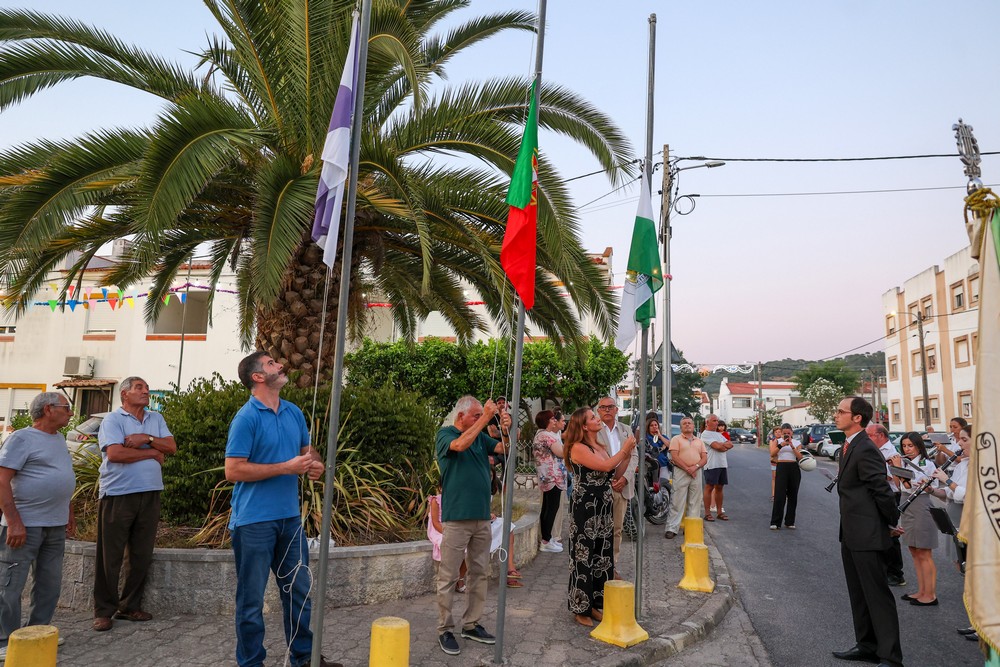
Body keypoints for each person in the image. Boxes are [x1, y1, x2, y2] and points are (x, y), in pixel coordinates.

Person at [224, 352, 340, 667]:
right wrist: (286, 467)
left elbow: (307, 452)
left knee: (298, 590)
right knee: (251, 601)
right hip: (253, 523)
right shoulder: (246, 418)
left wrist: (314, 464)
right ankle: (251, 662)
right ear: (258, 377)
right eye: (272, 363)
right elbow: (233, 470)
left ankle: (303, 657)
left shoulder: (293, 412)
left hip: (289, 520)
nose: (280, 365)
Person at [93, 376, 176, 632]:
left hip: (150, 493)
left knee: (141, 554)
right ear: (125, 394)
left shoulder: (155, 419)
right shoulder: (113, 420)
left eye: (147, 388)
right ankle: (104, 611)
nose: (146, 391)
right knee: (110, 556)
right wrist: (152, 452)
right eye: (139, 387)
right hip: (119, 494)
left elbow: (171, 447)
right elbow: (115, 454)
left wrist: (146, 438)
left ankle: (129, 606)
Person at [0, 393, 77, 660]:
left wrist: (68, 511)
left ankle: (37, 632)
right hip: (25, 525)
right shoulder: (21, 438)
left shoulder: (57, 439)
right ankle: (3, 639)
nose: (71, 413)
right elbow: (2, 480)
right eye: (66, 408)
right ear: (48, 409)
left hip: (54, 525)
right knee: (10, 584)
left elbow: (62, 476)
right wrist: (13, 521)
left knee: (50, 584)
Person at [435, 396, 511, 656]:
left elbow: (503, 449)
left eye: (481, 415)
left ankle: (471, 624)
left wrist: (506, 428)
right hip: (456, 518)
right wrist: (486, 420)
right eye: (476, 415)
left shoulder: (479, 436)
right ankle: (445, 628)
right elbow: (459, 445)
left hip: (481, 517)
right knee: (449, 575)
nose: (481, 419)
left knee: (479, 573)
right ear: (461, 416)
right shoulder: (446, 434)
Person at [831, 396, 902, 667]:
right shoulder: (849, 445)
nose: (836, 415)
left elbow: (881, 490)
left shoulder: (866, 448)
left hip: (868, 533)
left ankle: (891, 656)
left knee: (877, 595)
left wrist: (891, 522)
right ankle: (867, 645)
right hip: (850, 532)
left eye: (841, 411)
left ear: (857, 417)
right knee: (858, 593)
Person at [564, 406, 636, 627]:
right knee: (583, 556)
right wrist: (624, 449)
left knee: (602, 556)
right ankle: (580, 607)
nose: (597, 419)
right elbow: (605, 465)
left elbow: (613, 471)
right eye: (593, 417)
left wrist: (629, 453)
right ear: (584, 426)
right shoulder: (578, 448)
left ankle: (595, 605)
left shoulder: (600, 446)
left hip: (603, 505)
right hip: (585, 507)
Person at [890, 432, 939, 607]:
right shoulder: (905, 462)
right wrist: (894, 468)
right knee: (914, 550)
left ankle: (930, 594)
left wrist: (899, 467)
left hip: (920, 504)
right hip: (906, 503)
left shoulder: (926, 464)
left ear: (919, 446)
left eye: (910, 446)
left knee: (924, 552)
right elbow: (898, 485)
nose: (907, 449)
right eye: (904, 446)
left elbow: (911, 486)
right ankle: (921, 590)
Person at [594, 397, 638, 567]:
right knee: (599, 528)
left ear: (616, 409)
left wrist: (625, 479)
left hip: (622, 486)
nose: (606, 410)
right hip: (601, 485)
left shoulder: (626, 430)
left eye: (610, 407)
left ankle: (613, 564)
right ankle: (598, 562)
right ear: (598, 410)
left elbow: (634, 456)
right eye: (603, 407)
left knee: (616, 529)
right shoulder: (594, 430)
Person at [866, 423, 906, 587]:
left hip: (891, 495)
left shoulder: (892, 453)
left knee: (892, 534)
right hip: (879, 494)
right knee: (881, 532)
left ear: (881, 435)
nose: (867, 438)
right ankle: (884, 569)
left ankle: (896, 573)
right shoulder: (875, 451)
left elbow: (895, 481)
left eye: (870, 435)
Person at [663, 417, 707, 539]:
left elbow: (704, 458)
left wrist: (695, 467)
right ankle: (672, 528)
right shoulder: (676, 439)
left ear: (693, 426)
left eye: (689, 423)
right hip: (681, 472)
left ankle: (691, 528)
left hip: (696, 472)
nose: (687, 425)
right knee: (677, 501)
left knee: (695, 501)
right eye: (684, 424)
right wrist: (688, 469)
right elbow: (675, 456)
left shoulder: (699, 441)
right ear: (681, 427)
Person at [532, 410, 567, 553]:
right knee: (551, 508)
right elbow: (561, 452)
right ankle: (546, 541)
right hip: (552, 477)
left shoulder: (543, 435)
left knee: (548, 508)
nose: (554, 420)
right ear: (546, 421)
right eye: (552, 418)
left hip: (549, 476)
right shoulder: (546, 435)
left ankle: (547, 538)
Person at [769, 423, 803, 530]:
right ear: (781, 433)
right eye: (785, 433)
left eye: (789, 433)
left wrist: (792, 446)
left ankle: (790, 521)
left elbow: (800, 457)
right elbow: (772, 453)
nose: (787, 435)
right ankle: (775, 522)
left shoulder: (797, 442)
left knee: (793, 495)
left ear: (792, 432)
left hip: (793, 467)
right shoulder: (777, 441)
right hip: (782, 466)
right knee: (780, 495)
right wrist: (782, 444)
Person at [701, 414, 733, 521]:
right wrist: (722, 446)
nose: (716, 423)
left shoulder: (718, 435)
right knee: (709, 487)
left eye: (717, 421)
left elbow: (730, 444)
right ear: (707, 422)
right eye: (714, 420)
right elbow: (718, 447)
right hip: (711, 464)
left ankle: (719, 512)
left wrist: (721, 445)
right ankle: (707, 513)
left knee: (720, 487)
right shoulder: (705, 434)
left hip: (722, 464)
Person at [644, 415, 671, 487]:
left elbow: (670, 446)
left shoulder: (663, 437)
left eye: (656, 425)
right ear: (648, 427)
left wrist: (660, 436)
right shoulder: (646, 438)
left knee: (664, 485)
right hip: (651, 467)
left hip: (663, 465)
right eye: (651, 425)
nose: (654, 427)